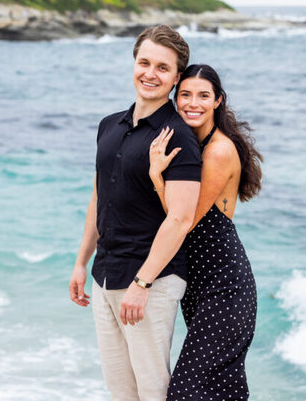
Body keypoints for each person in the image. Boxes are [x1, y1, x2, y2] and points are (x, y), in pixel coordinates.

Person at [69, 25, 202, 400]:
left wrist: (142, 284)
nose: (150, 73)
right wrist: (81, 262)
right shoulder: (109, 125)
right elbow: (98, 197)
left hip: (152, 281)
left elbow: (180, 219)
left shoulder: (178, 136)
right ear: (133, 64)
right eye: (144, 62)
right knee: (120, 389)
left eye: (163, 67)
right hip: (105, 274)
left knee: (153, 388)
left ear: (176, 78)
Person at [148, 64, 262, 400]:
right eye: (185, 95)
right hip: (200, 286)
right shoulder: (190, 146)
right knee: (218, 390)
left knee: (186, 392)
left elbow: (183, 219)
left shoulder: (218, 151)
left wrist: (156, 177)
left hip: (225, 287)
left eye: (203, 95)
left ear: (217, 100)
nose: (193, 103)